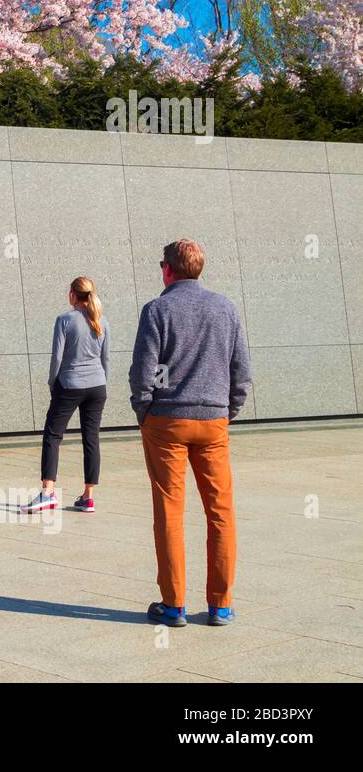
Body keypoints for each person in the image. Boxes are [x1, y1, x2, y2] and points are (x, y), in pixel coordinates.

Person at [129, 239, 253, 628]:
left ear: (168, 269)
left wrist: (143, 410)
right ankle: (220, 605)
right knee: (220, 513)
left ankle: (174, 605)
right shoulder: (226, 308)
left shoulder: (158, 309)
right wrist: (228, 410)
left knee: (169, 512)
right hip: (214, 422)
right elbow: (242, 371)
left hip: (166, 420)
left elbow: (142, 370)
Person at [25, 277, 109, 514]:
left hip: (70, 384)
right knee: (91, 439)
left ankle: (47, 492)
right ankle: (88, 497)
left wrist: (53, 382)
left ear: (73, 294)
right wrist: (103, 382)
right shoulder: (102, 320)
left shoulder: (64, 320)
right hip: (97, 385)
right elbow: (106, 359)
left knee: (53, 435)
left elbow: (57, 358)